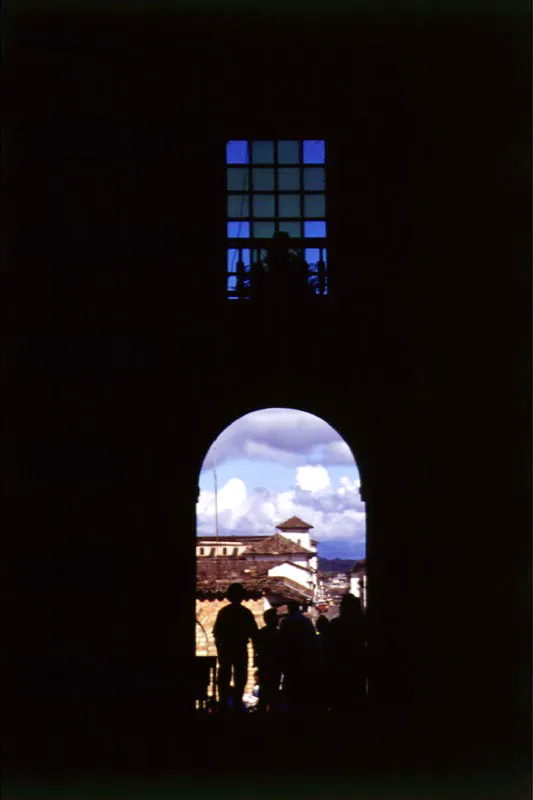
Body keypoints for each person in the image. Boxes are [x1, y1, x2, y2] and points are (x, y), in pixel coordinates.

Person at [213, 583, 258, 712]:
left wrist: (220, 649)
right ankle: (235, 702)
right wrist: (255, 653)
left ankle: (224, 703)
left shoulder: (224, 612)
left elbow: (217, 634)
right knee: (239, 675)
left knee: (225, 674)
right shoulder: (245, 613)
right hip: (239, 648)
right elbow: (254, 635)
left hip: (227, 649)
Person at [326, 593, 367, 712]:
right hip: (358, 667)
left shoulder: (335, 625)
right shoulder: (363, 624)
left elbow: (329, 649)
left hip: (339, 670)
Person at [278, 601, 317, 713]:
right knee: (302, 685)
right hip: (303, 658)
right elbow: (312, 640)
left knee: (290, 685)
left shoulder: (285, 622)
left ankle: (292, 709)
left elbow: (282, 641)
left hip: (290, 659)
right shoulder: (306, 621)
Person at [255, 608, 282, 714]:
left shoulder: (261, 633)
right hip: (273, 666)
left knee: (265, 690)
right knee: (273, 689)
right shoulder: (278, 634)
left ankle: (263, 711)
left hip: (265, 665)